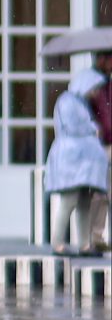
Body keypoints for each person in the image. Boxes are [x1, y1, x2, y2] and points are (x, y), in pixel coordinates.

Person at [43, 64, 110, 256]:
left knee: (84, 202)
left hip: (83, 162)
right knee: (69, 200)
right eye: (95, 88)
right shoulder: (68, 101)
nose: (96, 93)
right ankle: (57, 243)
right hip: (72, 161)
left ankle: (84, 245)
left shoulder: (81, 102)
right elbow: (74, 127)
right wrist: (92, 129)